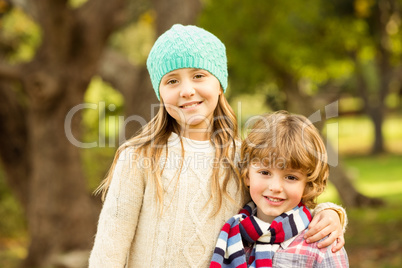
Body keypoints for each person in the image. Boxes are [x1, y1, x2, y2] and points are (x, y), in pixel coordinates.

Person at [88, 24, 346, 268]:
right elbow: (110, 247)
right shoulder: (139, 158)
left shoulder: (243, 155)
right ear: (160, 92)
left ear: (219, 84)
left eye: (198, 76)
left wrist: (330, 213)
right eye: (172, 81)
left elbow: (277, 202)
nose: (187, 90)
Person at [210, 111, 349, 268]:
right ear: (247, 175)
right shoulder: (233, 237)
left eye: (291, 177)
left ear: (307, 184)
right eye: (265, 172)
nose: (275, 187)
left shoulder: (322, 246)